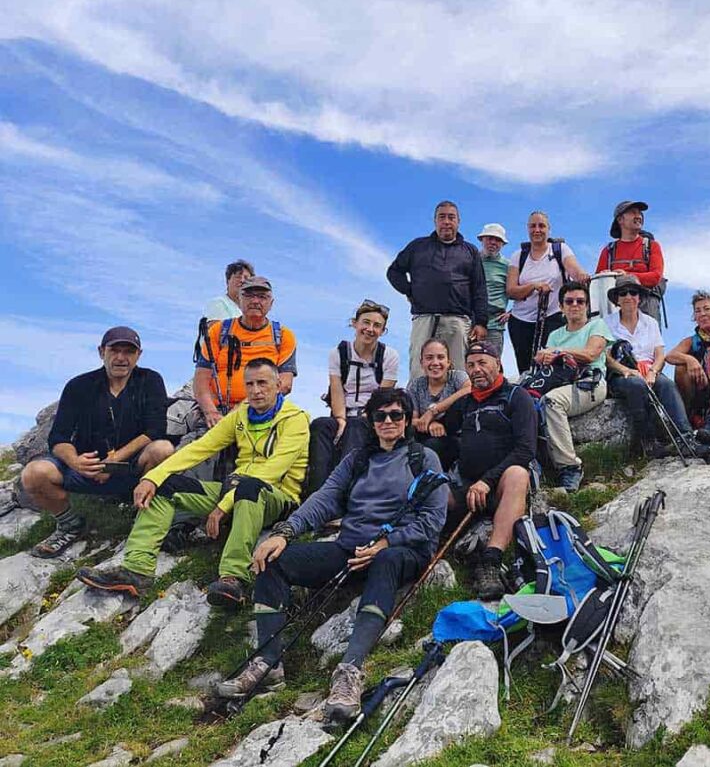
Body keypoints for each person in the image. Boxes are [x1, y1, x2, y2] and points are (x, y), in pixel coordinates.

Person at [218, 388, 448, 720]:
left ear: (407, 420)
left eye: (396, 415)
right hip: (349, 548)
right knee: (274, 560)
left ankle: (349, 672)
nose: (387, 421)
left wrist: (385, 543)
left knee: (385, 562)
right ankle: (268, 662)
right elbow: (326, 497)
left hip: (400, 551)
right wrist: (286, 532)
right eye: (379, 415)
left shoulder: (423, 458)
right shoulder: (357, 460)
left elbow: (432, 520)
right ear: (369, 420)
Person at [76, 359, 310, 606]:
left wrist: (223, 506)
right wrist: (153, 477)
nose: (255, 390)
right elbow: (200, 448)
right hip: (234, 490)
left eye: (262, 383)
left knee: (249, 488)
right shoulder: (241, 414)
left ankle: (232, 578)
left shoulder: (295, 419)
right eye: (249, 384)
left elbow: (273, 471)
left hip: (277, 497)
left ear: (278, 384)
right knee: (166, 487)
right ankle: (137, 570)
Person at [20, 327, 174, 558]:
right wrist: (76, 462)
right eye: (114, 350)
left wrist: (113, 460)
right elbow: (58, 437)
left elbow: (155, 430)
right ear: (102, 352)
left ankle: (144, 519)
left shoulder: (150, 380)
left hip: (131, 468)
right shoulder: (78, 386)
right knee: (34, 473)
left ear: (138, 355)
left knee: (163, 449)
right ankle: (69, 524)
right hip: (85, 465)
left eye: (129, 351)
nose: (121, 358)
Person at [449, 341, 536, 600]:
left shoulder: (516, 397)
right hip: (467, 484)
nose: (477, 369)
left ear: (498, 364)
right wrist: (431, 421)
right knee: (435, 492)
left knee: (518, 473)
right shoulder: (463, 404)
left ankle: (491, 560)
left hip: (499, 486)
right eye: (471, 365)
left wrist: (487, 481)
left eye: (483, 363)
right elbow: (446, 431)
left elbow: (526, 449)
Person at [604, 275, 710, 459]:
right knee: (637, 386)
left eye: (633, 292)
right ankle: (648, 441)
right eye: (623, 293)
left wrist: (653, 371)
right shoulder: (606, 323)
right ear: (617, 299)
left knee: (667, 385)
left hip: (648, 370)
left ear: (639, 297)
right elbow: (605, 356)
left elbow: (660, 353)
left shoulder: (650, 322)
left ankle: (686, 438)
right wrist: (625, 370)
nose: (628, 296)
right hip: (621, 373)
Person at [306, 300, 399, 495]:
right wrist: (340, 419)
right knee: (321, 425)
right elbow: (337, 389)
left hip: (372, 415)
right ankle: (315, 495)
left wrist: (362, 417)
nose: (370, 329)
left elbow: (381, 397)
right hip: (343, 410)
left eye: (377, 326)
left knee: (356, 426)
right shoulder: (338, 353)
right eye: (366, 322)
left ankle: (343, 494)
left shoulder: (390, 356)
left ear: (383, 331)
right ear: (355, 323)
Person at [386, 200, 489, 378]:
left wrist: (481, 322)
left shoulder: (470, 251)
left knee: (458, 373)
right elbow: (394, 272)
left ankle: (457, 406)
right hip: (424, 318)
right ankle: (418, 406)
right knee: (420, 370)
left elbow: (479, 288)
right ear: (435, 221)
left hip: (457, 321)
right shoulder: (417, 246)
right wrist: (410, 291)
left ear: (458, 221)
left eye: (451, 217)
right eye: (442, 217)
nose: (447, 221)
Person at [534, 281, 613, 492]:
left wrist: (558, 351)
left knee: (551, 402)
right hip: (560, 382)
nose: (575, 305)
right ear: (561, 307)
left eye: (580, 301)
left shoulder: (597, 326)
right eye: (569, 301)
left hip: (590, 383)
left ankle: (570, 467)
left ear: (587, 305)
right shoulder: (555, 334)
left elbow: (591, 354)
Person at [194, 276, 298, 426]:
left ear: (271, 303)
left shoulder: (283, 335)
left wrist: (242, 408)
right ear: (239, 299)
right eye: (249, 295)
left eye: (262, 297)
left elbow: (285, 384)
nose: (255, 301)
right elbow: (201, 379)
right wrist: (211, 412)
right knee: (195, 446)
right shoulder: (219, 330)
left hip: (263, 413)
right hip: (216, 413)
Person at [506, 211, 588, 374]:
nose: (537, 230)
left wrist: (582, 276)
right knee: (525, 369)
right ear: (527, 229)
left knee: (553, 363)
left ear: (548, 229)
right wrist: (533, 286)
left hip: (553, 316)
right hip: (521, 320)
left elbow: (574, 269)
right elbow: (511, 291)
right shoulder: (518, 256)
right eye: (533, 226)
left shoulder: (560, 250)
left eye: (541, 226)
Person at [667, 290, 710, 445]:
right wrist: (690, 359)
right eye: (697, 311)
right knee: (681, 367)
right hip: (702, 389)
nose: (702, 314)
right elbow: (669, 356)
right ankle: (685, 420)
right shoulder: (693, 340)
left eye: (707, 309)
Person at [595, 200, 666, 325]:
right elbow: (599, 284)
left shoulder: (652, 246)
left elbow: (655, 277)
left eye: (640, 213)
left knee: (649, 343)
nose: (638, 216)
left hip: (646, 305)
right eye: (633, 213)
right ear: (620, 220)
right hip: (616, 308)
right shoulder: (608, 250)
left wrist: (626, 276)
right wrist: (605, 276)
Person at [408, 338, 471, 471]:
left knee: (433, 446)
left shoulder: (457, 377)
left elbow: (469, 389)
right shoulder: (416, 385)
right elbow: (412, 420)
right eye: (429, 358)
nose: (435, 363)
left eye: (440, 357)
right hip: (425, 434)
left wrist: (433, 411)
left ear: (448, 362)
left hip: (454, 435)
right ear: (422, 363)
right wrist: (430, 424)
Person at [478, 223, 512, 357]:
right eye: (489, 238)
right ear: (482, 240)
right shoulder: (470, 261)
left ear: (503, 244)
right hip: (470, 322)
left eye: (497, 240)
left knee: (492, 364)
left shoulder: (508, 266)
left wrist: (512, 313)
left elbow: (523, 291)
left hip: (495, 325)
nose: (493, 242)